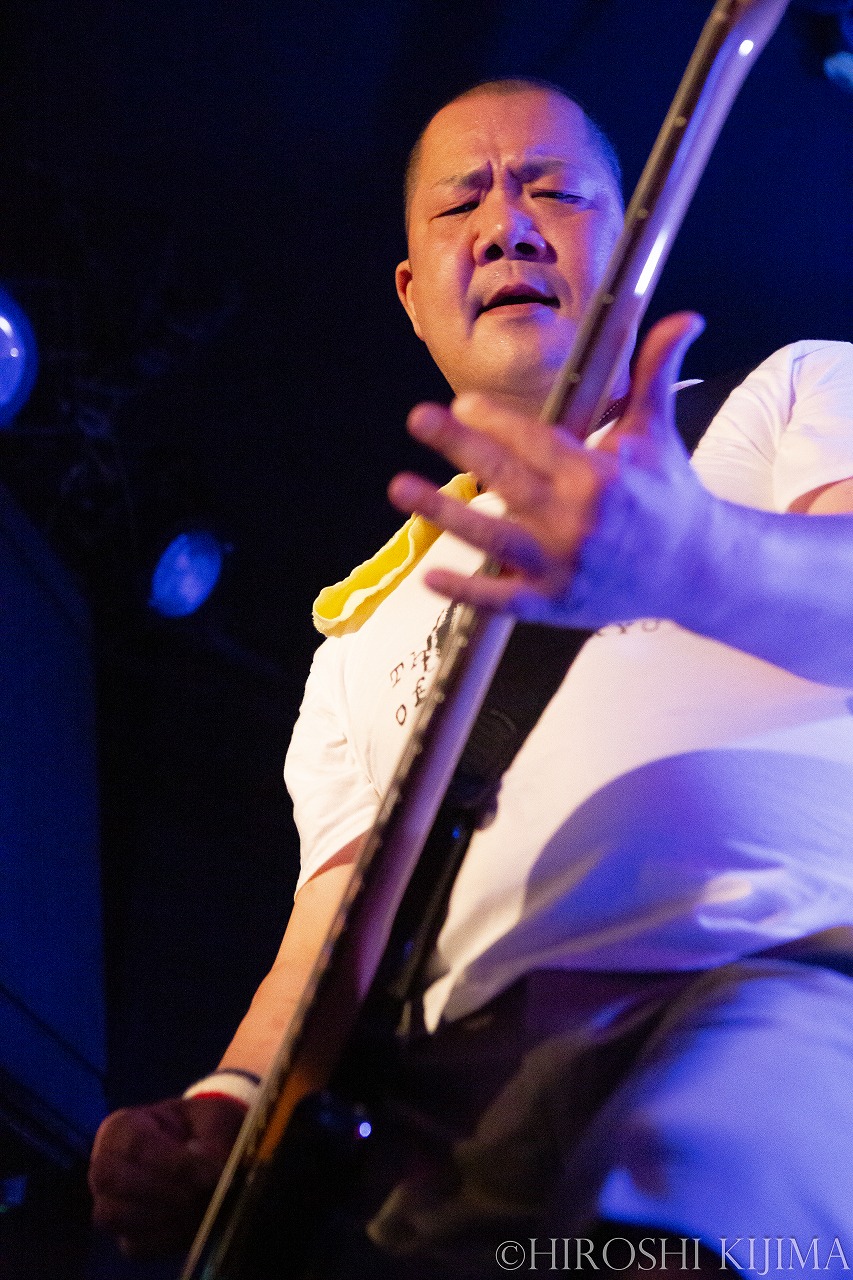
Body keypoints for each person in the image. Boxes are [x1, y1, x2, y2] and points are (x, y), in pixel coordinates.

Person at [88, 80, 853, 1276]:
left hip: (762, 986)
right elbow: (331, 929)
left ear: (634, 242)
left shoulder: (792, 394)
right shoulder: (355, 640)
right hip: (456, 1115)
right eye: (462, 204)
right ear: (410, 291)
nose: (506, 227)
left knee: (691, 1202)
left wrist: (693, 555)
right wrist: (229, 1104)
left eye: (552, 191)